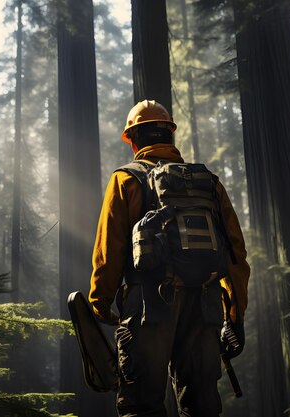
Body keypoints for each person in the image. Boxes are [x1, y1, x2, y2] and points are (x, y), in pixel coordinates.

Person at [89, 100, 250, 417]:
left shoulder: (126, 180)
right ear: (169, 137)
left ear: (133, 139)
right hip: (204, 305)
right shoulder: (208, 184)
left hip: (149, 305)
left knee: (141, 403)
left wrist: (100, 301)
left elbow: (109, 249)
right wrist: (235, 314)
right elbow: (235, 253)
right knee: (201, 405)